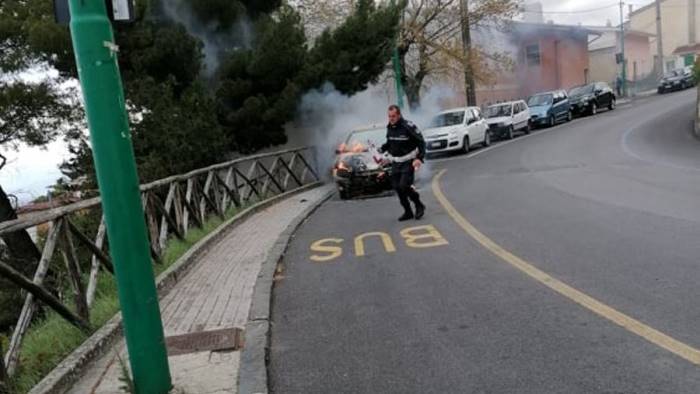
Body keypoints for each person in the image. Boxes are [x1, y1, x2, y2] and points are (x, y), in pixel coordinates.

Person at [379, 105, 426, 221]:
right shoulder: (390, 127)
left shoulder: (408, 127)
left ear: (399, 115)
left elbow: (421, 143)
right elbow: (390, 142)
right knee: (397, 188)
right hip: (396, 162)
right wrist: (382, 149)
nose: (391, 118)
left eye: (393, 116)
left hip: (408, 161)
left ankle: (419, 205)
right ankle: (408, 211)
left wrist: (419, 158)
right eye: (389, 116)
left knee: (404, 186)